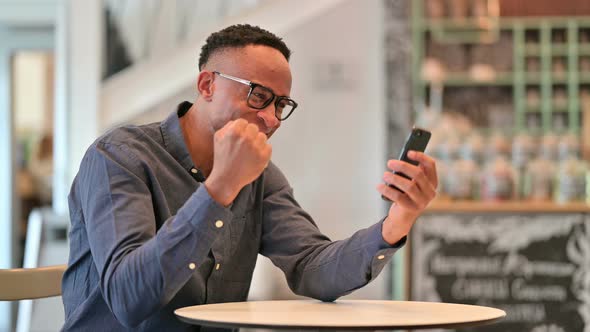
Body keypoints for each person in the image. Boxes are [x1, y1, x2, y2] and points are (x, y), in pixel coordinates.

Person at [61, 24, 437, 331]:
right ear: (207, 85)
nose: (272, 119)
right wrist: (219, 189)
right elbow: (129, 298)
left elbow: (311, 267)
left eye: (281, 104)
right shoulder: (119, 157)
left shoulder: (258, 176)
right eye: (259, 96)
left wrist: (397, 221)